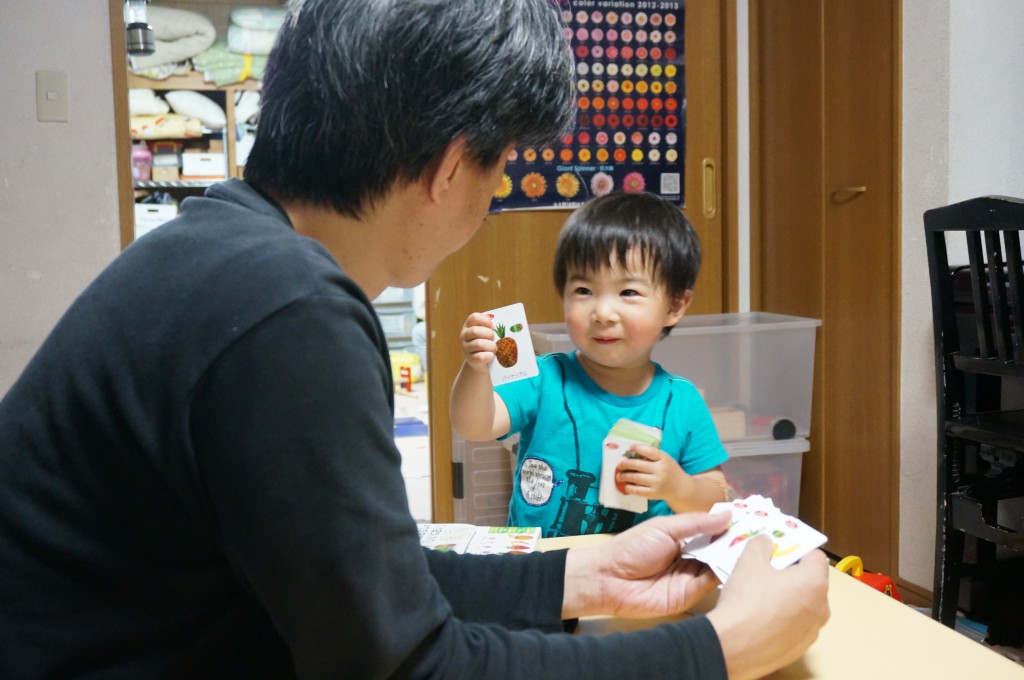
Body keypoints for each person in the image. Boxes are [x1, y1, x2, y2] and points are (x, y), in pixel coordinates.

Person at [0, 1, 829, 678]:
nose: (497, 191)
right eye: (502, 165)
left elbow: (356, 581)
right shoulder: (287, 310)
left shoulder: (223, 252)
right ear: (450, 164)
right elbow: (406, 665)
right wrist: (725, 647)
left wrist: (581, 574)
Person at [452, 192, 731, 537]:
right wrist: (475, 369)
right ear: (563, 295)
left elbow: (718, 501)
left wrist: (678, 487)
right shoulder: (544, 379)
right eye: (584, 290)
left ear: (675, 306)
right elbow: (474, 425)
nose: (602, 313)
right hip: (542, 569)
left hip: (637, 572)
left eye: (628, 292)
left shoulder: (682, 402)